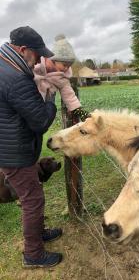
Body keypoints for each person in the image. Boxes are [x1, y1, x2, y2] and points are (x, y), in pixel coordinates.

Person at [0, 26, 63, 268]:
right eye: (36, 54)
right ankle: (33, 255)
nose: (37, 59)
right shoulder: (16, 77)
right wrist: (50, 98)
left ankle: (39, 233)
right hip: (15, 152)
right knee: (32, 200)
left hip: (8, 146)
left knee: (32, 195)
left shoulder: (5, 65)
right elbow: (40, 121)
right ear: (23, 50)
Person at [34, 34, 89, 121]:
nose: (66, 68)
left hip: (48, 100)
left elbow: (68, 94)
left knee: (41, 122)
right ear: (54, 60)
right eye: (64, 65)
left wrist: (77, 109)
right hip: (32, 95)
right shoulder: (39, 65)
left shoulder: (62, 78)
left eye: (69, 66)